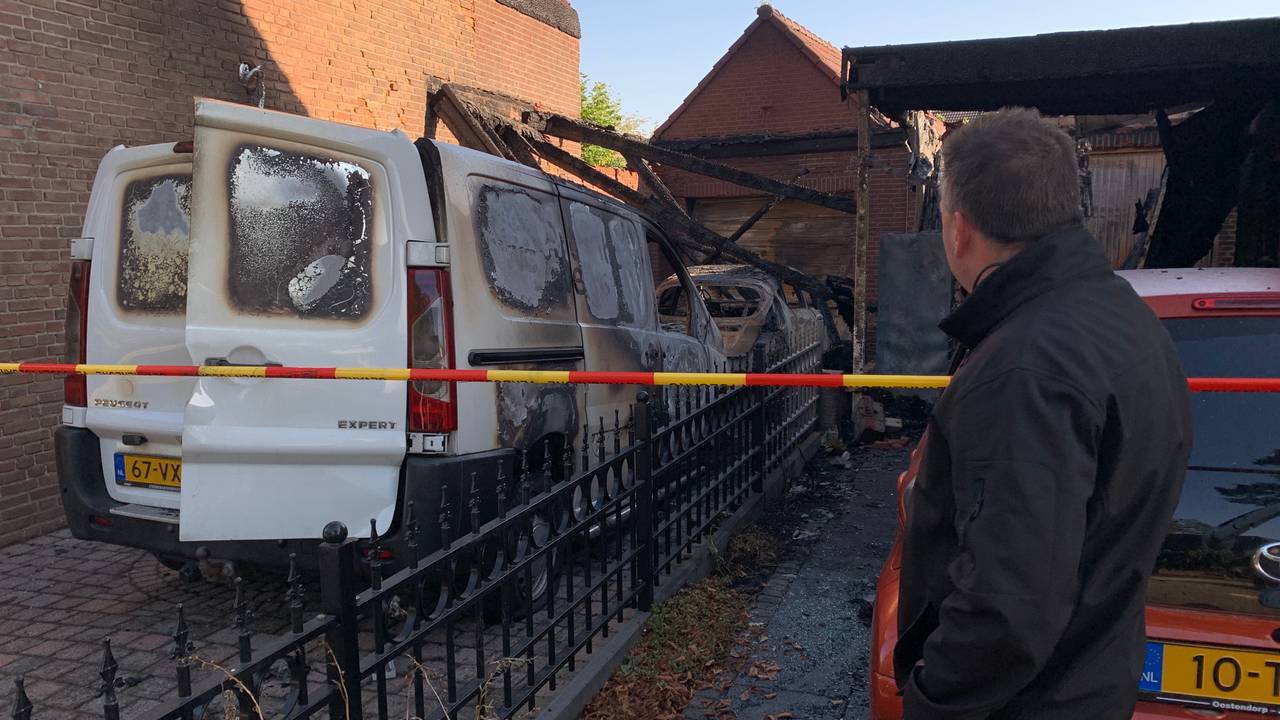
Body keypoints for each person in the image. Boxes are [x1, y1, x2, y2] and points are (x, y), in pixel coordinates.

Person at [894, 108, 1192, 719]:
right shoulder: (1125, 320)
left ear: (958, 228)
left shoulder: (1023, 370)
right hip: (1089, 684)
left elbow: (1007, 601)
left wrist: (932, 699)